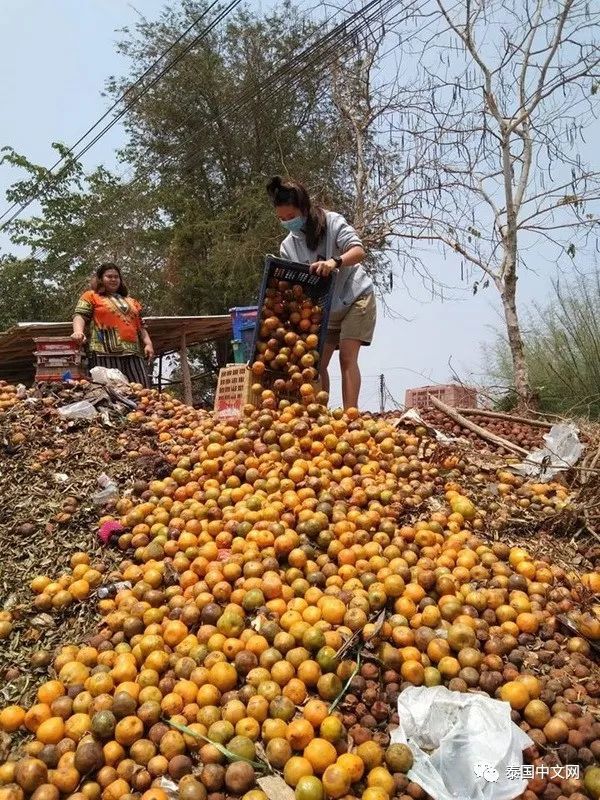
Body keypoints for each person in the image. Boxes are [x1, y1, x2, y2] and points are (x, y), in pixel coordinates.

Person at [266, 176, 376, 409]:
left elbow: (358, 251)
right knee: (316, 364)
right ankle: (320, 414)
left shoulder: (333, 222)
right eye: (282, 219)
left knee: (347, 358)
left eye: (291, 217)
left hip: (355, 296)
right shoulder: (288, 245)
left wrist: (334, 262)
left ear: (304, 208)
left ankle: (350, 416)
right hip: (324, 308)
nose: (287, 222)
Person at [72, 263, 154, 388]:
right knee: (110, 391)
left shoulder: (132, 301)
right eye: (109, 276)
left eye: (116, 277)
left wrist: (148, 344)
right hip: (103, 351)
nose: (113, 279)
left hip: (133, 352)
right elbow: (80, 315)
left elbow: (141, 325)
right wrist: (78, 332)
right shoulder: (91, 296)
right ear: (100, 279)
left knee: (141, 389)